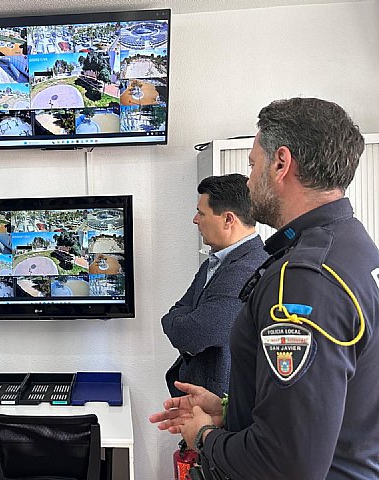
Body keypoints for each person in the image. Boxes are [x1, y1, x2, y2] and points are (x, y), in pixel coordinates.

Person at [150, 97, 379, 480]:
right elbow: (319, 408)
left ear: (281, 163)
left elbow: (287, 462)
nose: (250, 180)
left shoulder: (304, 280)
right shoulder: (345, 245)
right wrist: (230, 409)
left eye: (253, 165)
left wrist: (204, 437)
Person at [162, 174, 267, 398]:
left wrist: (183, 320)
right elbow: (178, 310)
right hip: (203, 398)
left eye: (201, 213)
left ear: (228, 219)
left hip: (220, 403)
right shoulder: (216, 261)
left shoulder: (246, 269)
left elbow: (192, 335)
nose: (195, 220)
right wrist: (183, 318)